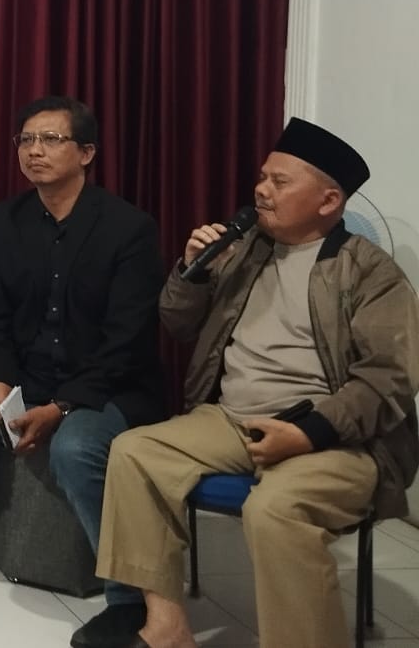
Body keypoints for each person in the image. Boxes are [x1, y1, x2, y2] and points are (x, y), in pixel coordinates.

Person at [97, 118, 419, 648]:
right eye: (263, 177)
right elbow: (176, 324)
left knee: (274, 508)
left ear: (328, 200)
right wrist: (193, 271)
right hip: (230, 420)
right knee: (133, 452)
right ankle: (166, 625)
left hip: (338, 439)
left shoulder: (370, 272)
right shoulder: (245, 250)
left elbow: (390, 379)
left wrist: (310, 432)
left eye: (279, 182)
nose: (261, 190)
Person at [0, 95, 163, 648]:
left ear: (86, 153)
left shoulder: (129, 228)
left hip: (105, 385)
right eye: (26, 140)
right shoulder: (3, 221)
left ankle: (126, 598)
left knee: (74, 449)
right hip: (25, 377)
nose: (34, 151)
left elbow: (126, 341)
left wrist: (60, 408)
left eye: (51, 140)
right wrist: (1, 390)